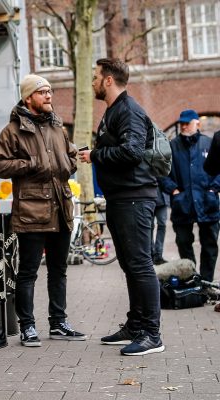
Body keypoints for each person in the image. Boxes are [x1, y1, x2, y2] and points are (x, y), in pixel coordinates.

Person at [0, 74, 85, 347]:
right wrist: (29, 163)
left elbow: (71, 155)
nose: (49, 96)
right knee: (28, 271)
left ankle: (59, 323)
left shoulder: (58, 126)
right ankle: (27, 327)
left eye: (50, 91)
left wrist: (70, 163)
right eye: (43, 92)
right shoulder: (12, 130)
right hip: (32, 210)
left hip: (61, 206)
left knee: (59, 269)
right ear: (29, 97)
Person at [79, 58, 165, 356]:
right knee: (130, 265)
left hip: (135, 198)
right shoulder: (114, 111)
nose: (92, 81)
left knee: (140, 264)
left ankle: (152, 334)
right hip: (121, 198)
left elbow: (132, 151)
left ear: (107, 80)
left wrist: (95, 155)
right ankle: (136, 325)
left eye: (95, 76)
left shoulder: (128, 110)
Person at [161, 110, 220, 283]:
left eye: (188, 123)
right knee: (183, 243)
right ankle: (193, 279)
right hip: (183, 205)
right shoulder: (172, 146)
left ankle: (206, 282)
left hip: (207, 202)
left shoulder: (209, 143)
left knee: (210, 246)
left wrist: (214, 189)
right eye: (182, 123)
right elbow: (162, 172)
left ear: (198, 124)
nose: (184, 126)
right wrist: (173, 190)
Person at [152, 183, 170, 265]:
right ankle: (151, 254)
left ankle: (158, 255)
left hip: (162, 198)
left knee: (162, 225)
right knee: (149, 227)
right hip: (148, 198)